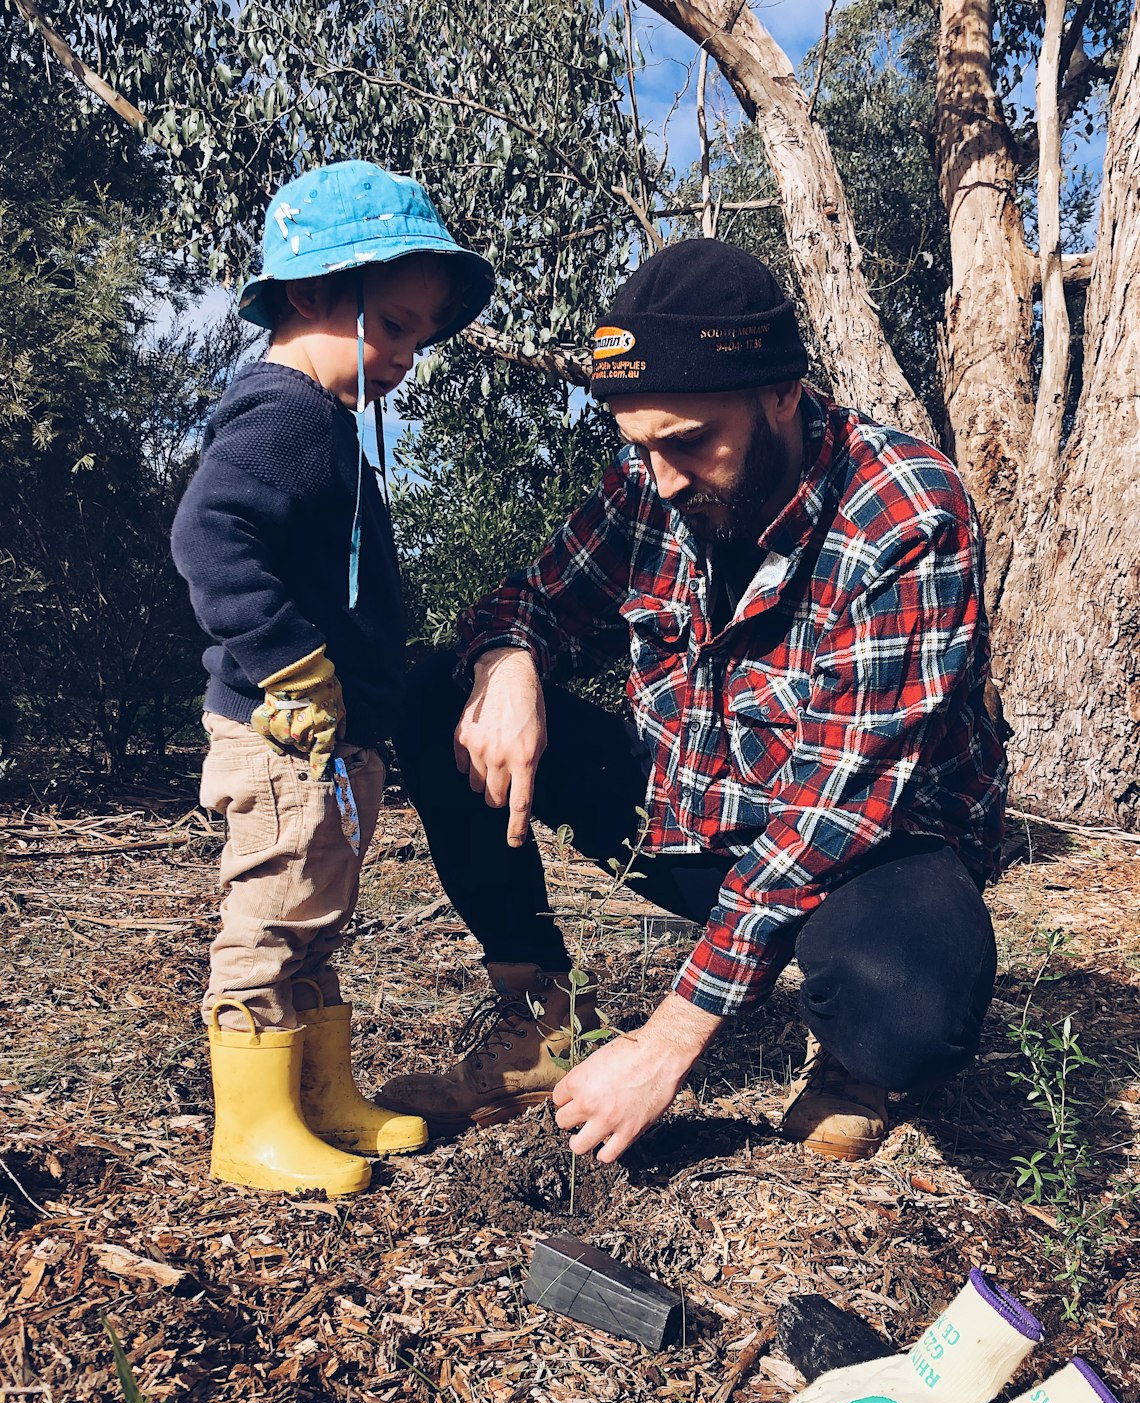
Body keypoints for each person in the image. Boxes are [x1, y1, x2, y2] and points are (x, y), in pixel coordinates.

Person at [377, 238, 1006, 1165]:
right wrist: (509, 662)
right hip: (695, 812)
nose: (662, 476)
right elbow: (530, 600)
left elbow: (833, 812)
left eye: (688, 442)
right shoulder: (653, 483)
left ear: (782, 394)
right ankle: (539, 1014)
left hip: (866, 846)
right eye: (640, 444)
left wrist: (669, 1040)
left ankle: (855, 1062)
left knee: (913, 1000)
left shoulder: (906, 515)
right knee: (441, 693)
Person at [171, 160, 494, 1195]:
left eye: (416, 336)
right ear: (315, 293)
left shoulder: (323, 424)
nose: (406, 355)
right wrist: (290, 663)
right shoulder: (288, 418)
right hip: (282, 733)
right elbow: (208, 535)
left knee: (314, 912)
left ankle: (318, 1097)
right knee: (271, 918)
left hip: (327, 736)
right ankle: (252, 1130)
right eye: (394, 325)